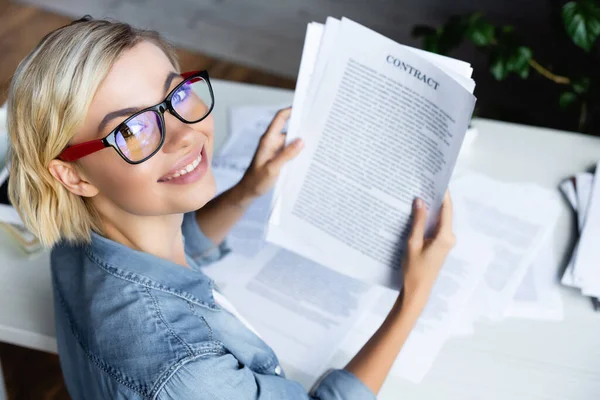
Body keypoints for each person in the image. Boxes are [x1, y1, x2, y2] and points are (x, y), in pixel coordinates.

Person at [6, 16, 456, 400]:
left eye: (177, 96)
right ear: (73, 174)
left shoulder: (78, 237)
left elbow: (177, 246)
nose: (185, 134)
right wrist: (414, 298)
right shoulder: (190, 370)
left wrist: (247, 190)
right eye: (133, 128)